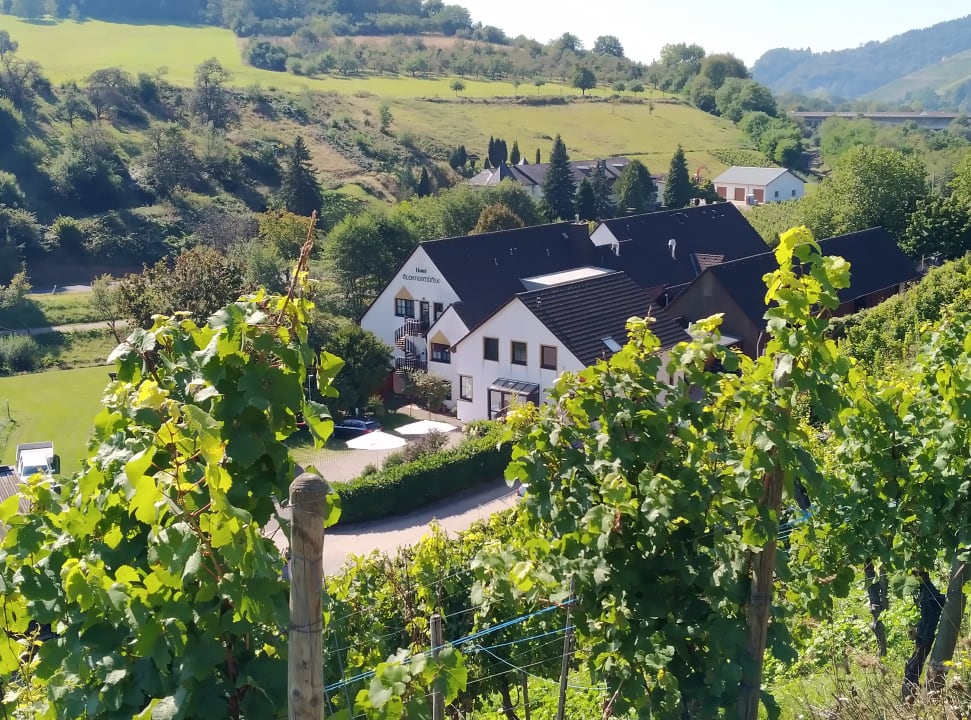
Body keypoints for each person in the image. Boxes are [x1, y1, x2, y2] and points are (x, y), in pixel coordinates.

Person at [902, 570, 945, 700]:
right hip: (927, 624)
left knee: (923, 643)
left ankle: (911, 697)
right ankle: (913, 695)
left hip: (926, 629)